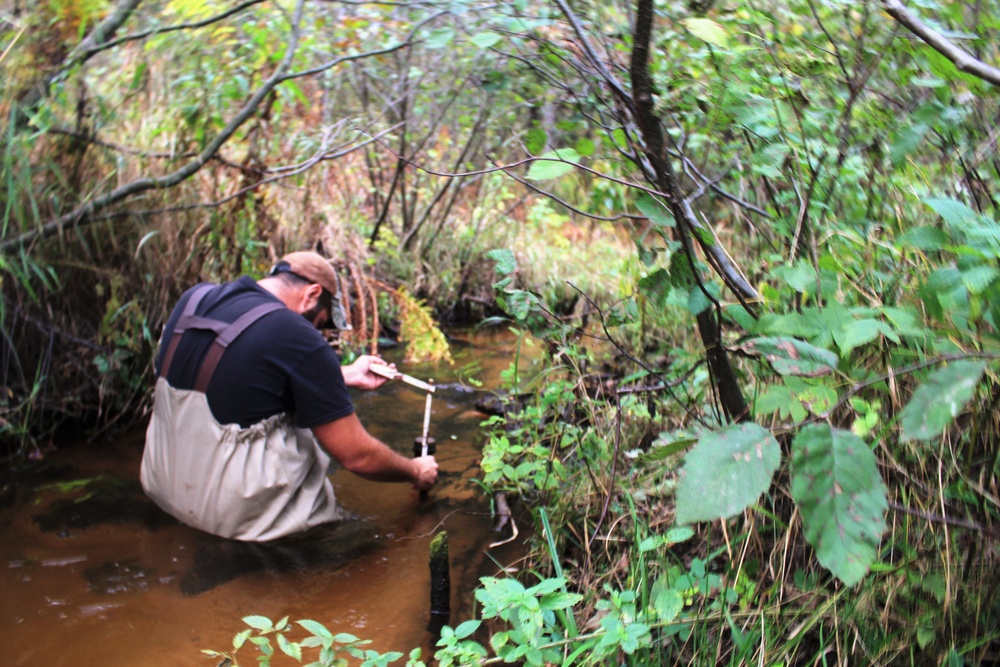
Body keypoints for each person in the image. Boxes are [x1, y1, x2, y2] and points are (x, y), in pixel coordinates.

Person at [140, 251, 438, 542]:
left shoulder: (195, 298)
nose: (319, 333)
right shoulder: (297, 334)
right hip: (233, 523)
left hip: (163, 487)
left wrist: (341, 374)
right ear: (311, 294)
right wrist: (416, 470)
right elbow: (357, 457)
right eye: (321, 324)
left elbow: (241, 374)